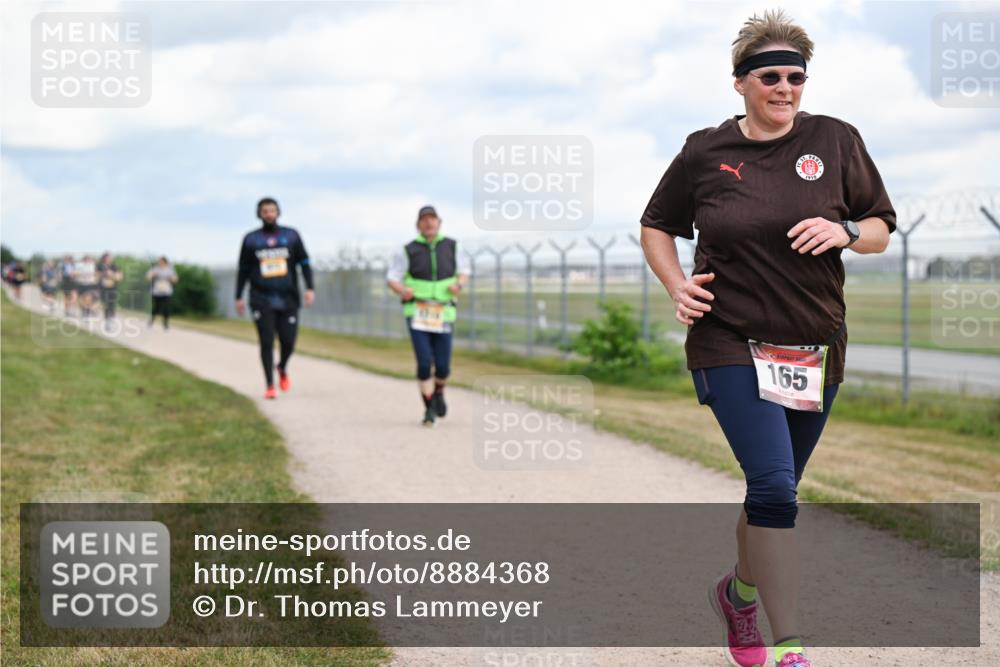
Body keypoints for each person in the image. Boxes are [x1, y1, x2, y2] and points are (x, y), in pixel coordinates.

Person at [639, 10, 895, 667]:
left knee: (771, 493)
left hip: (814, 345)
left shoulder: (836, 140)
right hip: (728, 339)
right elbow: (656, 224)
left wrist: (845, 232)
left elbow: (879, 227)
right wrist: (676, 285)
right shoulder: (705, 151)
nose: (785, 88)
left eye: (795, 77)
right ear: (740, 82)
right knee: (776, 489)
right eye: (770, 76)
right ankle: (791, 647)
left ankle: (738, 594)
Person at [386, 205, 469, 427]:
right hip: (417, 312)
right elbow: (392, 278)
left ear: (439, 222)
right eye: (424, 220)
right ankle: (429, 408)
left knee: (443, 365)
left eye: (432, 219)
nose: (429, 223)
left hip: (444, 312)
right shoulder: (407, 250)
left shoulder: (453, 246)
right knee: (424, 362)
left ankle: (439, 390)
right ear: (418, 225)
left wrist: (459, 285)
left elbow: (464, 271)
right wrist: (402, 290)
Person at [235, 197, 315, 399]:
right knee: (266, 342)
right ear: (259, 214)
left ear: (278, 212)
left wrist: (310, 287)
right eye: (265, 211)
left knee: (288, 341)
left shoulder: (291, 236)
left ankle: (282, 366)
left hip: (288, 298)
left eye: (272, 210)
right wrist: (238, 296)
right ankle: (270, 384)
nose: (269, 214)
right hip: (261, 298)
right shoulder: (251, 239)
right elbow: (243, 270)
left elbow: (304, 263)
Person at [146, 257, 178, 329]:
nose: (159, 263)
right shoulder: (155, 269)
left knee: (167, 308)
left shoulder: (170, 269)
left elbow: (175, 280)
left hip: (166, 291)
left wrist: (171, 278)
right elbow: (148, 277)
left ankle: (165, 324)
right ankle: (151, 321)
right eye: (159, 261)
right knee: (156, 307)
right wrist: (153, 275)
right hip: (157, 291)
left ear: (165, 262)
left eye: (161, 261)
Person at [97, 253, 123, 327]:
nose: (108, 260)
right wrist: (104, 274)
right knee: (106, 304)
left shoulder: (115, 266)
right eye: (107, 258)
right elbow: (96, 275)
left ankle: (112, 318)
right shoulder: (99, 266)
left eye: (110, 258)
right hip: (103, 288)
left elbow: (120, 277)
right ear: (103, 259)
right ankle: (107, 321)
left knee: (112, 304)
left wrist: (112, 275)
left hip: (112, 288)